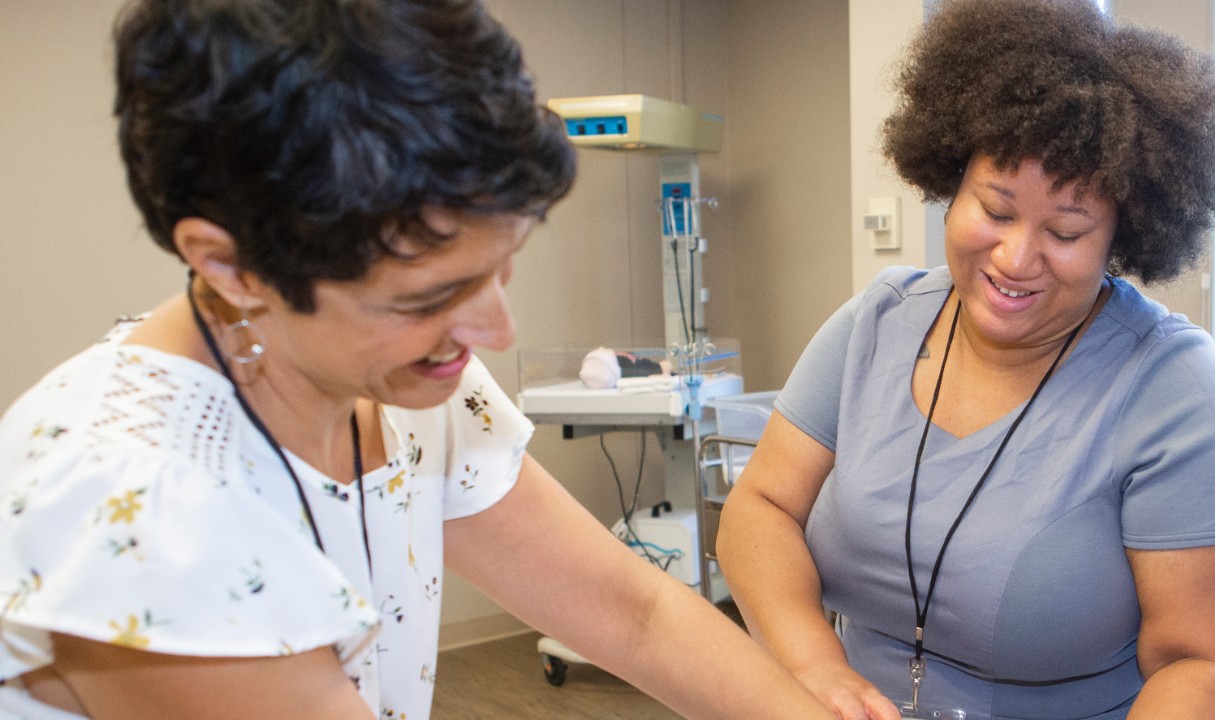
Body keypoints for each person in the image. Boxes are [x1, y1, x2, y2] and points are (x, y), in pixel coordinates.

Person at [0, 1, 840, 718]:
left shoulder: (412, 389)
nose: (495, 331)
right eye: (427, 299)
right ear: (231, 266)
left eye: (500, 269)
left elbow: (636, 616)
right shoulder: (140, 499)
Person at [715, 1, 1215, 719]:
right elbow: (760, 509)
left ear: (1121, 237)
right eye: (997, 209)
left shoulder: (1179, 397)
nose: (1015, 258)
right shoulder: (877, 324)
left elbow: (1199, 665)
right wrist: (816, 667)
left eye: (1067, 230)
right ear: (950, 187)